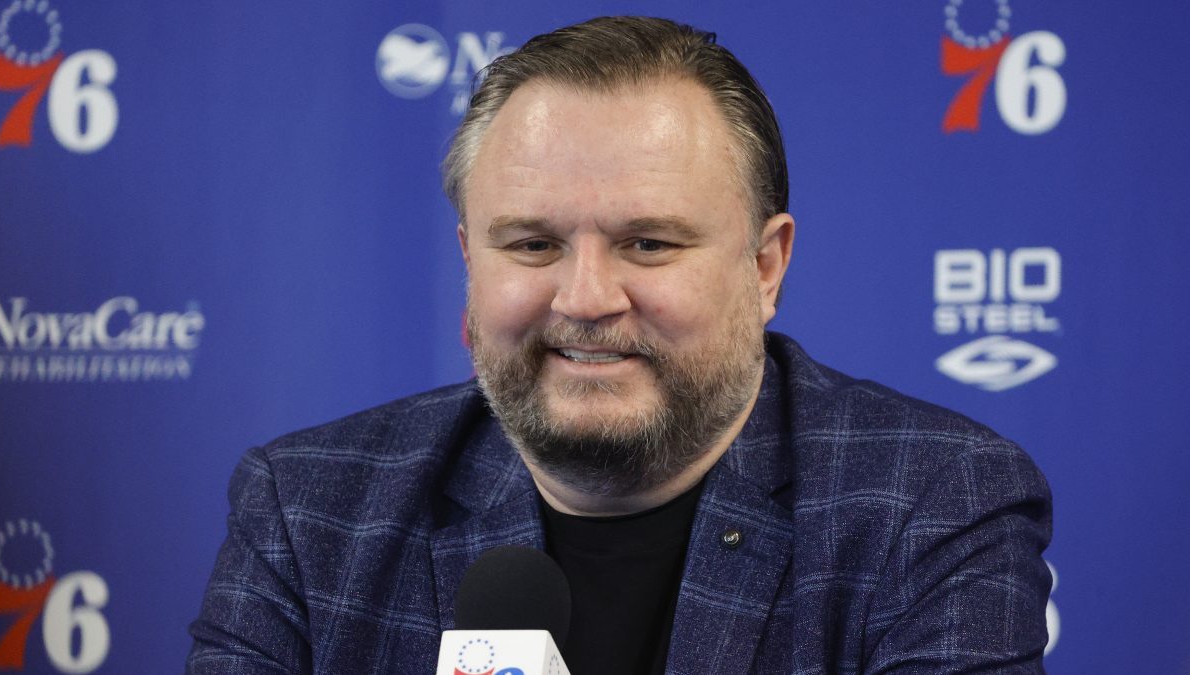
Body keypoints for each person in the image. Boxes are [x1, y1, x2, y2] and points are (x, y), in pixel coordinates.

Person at [187, 16, 1052, 674]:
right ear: (470, 263)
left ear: (764, 266)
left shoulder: (933, 504)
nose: (586, 298)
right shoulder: (307, 509)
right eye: (533, 244)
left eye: (648, 243)